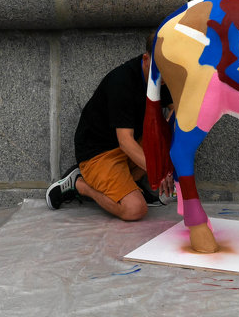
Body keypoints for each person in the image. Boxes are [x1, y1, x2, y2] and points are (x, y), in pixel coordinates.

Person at [45, 39, 173, 220]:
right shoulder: (122, 82)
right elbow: (125, 141)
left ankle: (130, 184)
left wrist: (169, 125)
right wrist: (160, 171)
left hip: (127, 147)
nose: (164, 79)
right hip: (99, 153)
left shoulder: (161, 77)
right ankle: (80, 184)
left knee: (167, 134)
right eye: (161, 72)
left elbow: (178, 109)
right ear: (146, 59)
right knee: (135, 209)